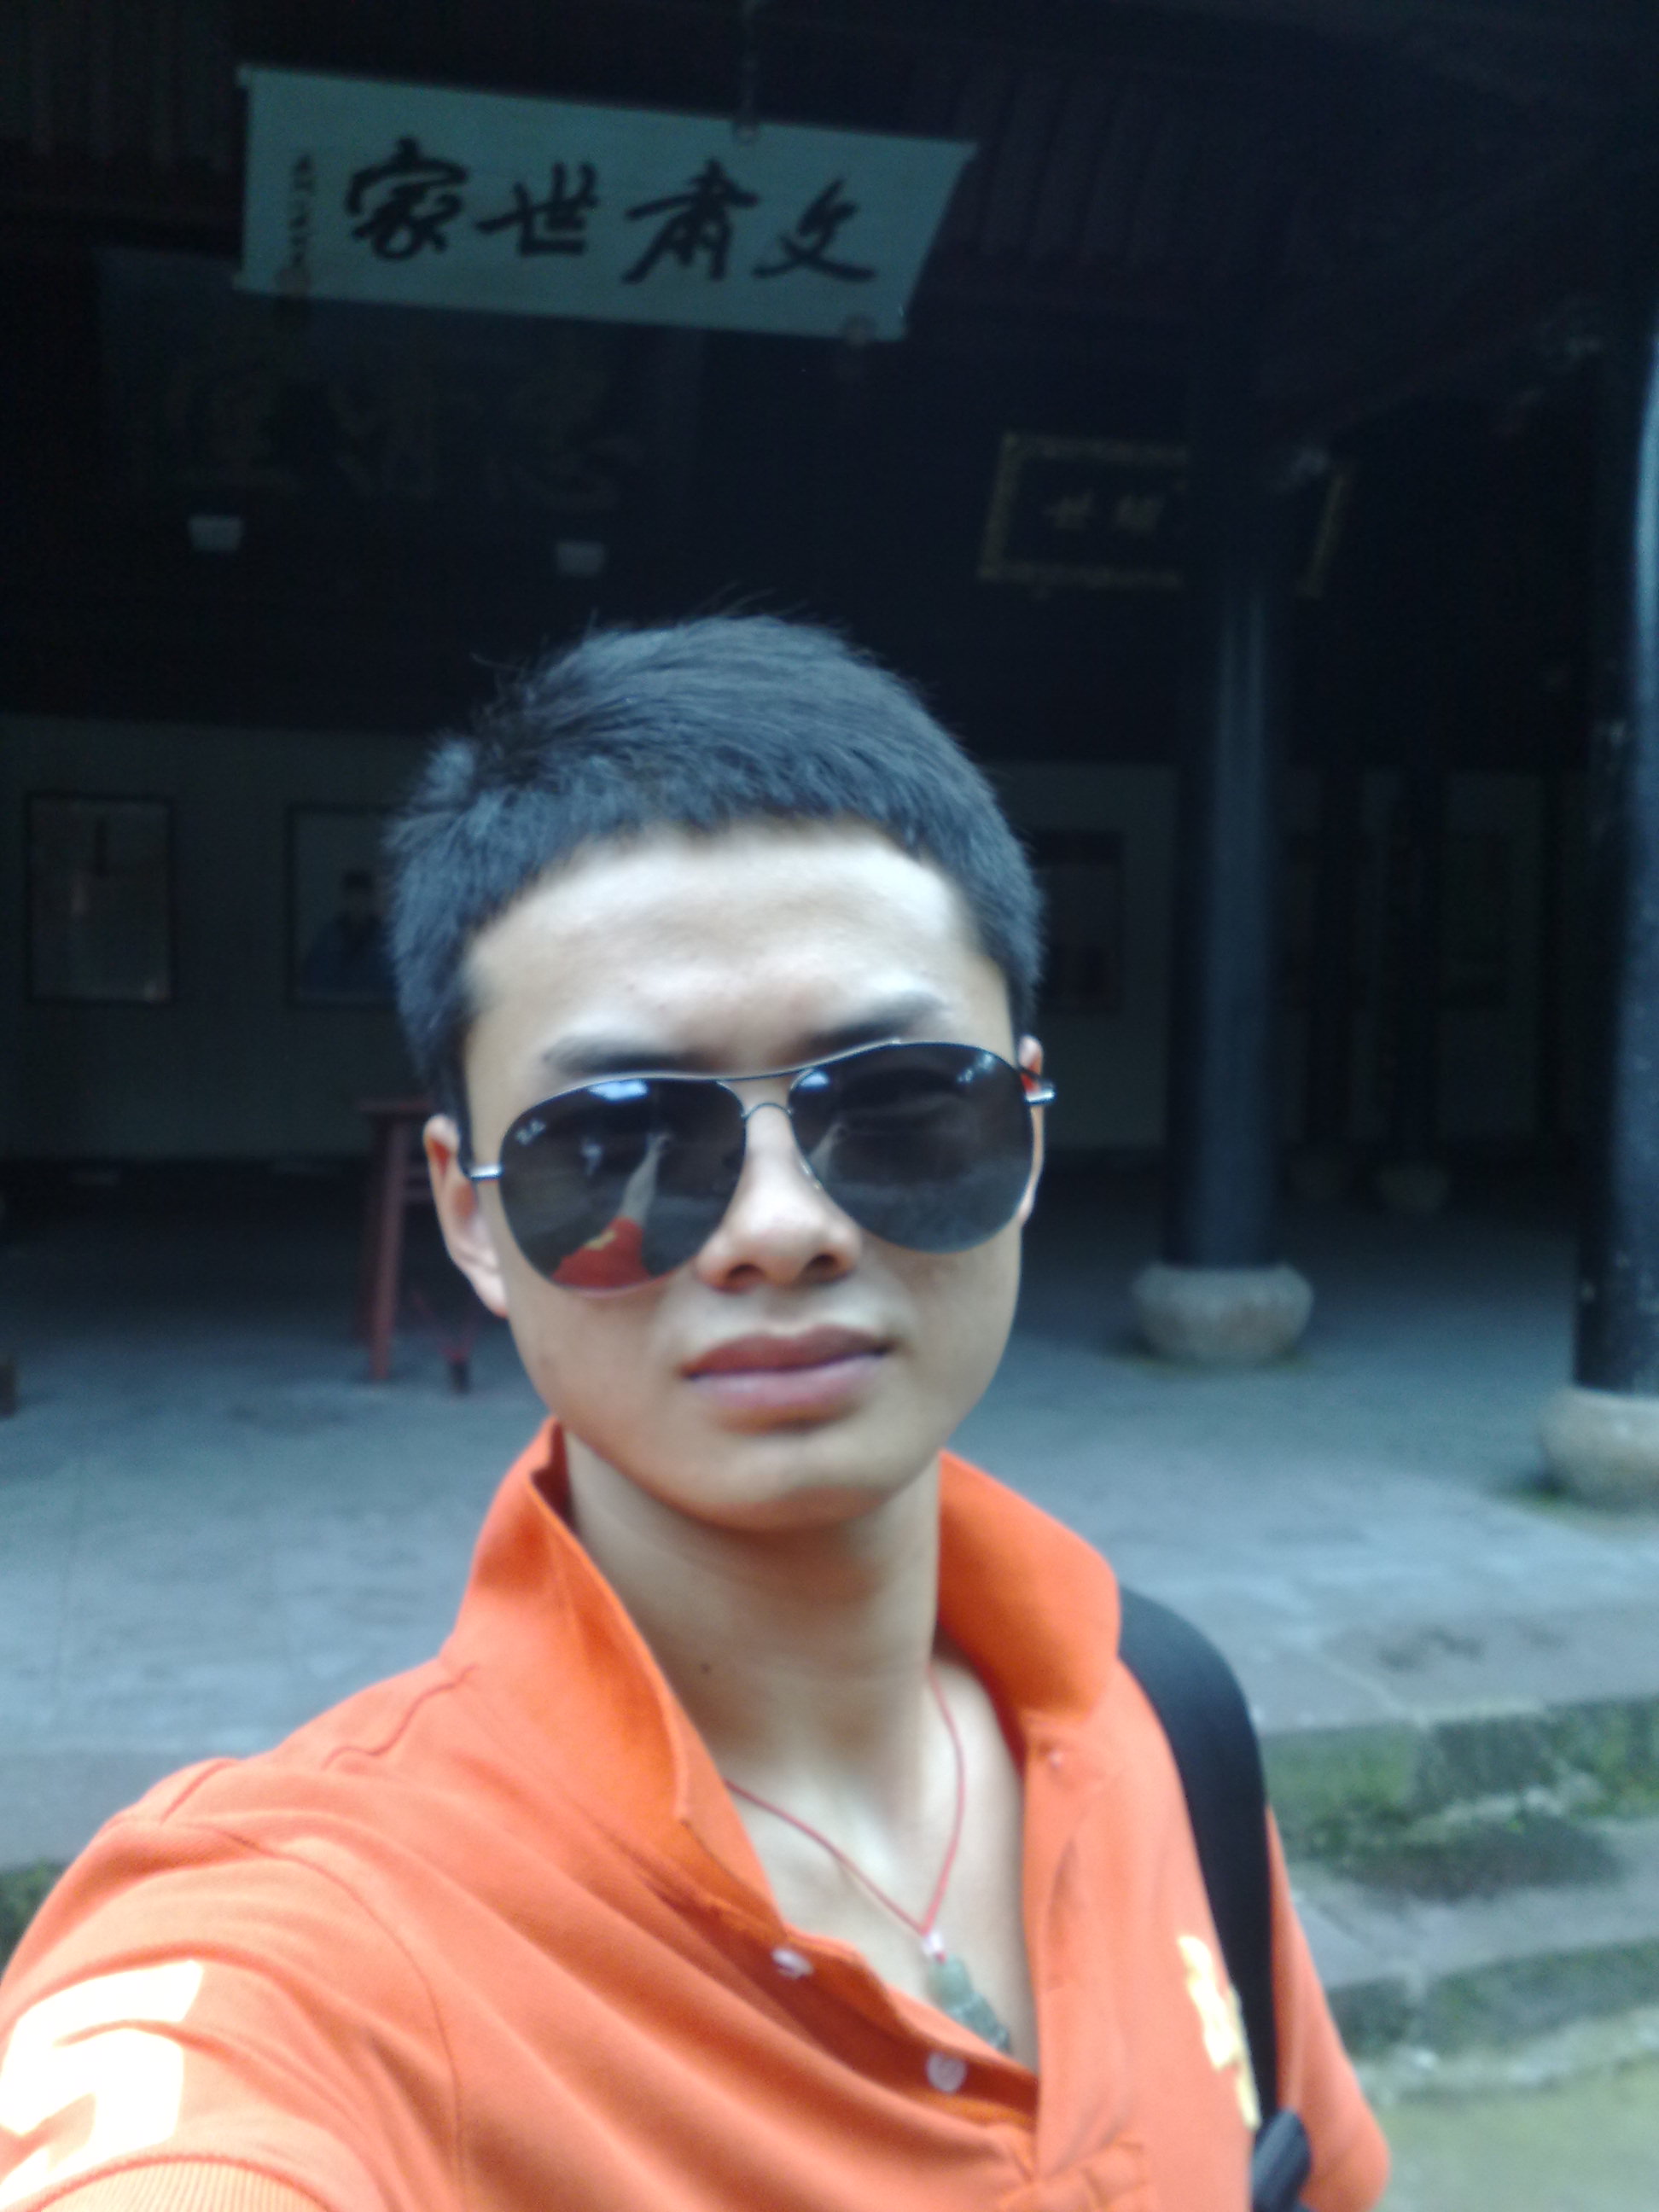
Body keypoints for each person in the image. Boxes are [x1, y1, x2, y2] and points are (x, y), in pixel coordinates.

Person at [0, 618, 1388, 2212]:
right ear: (468, 1216)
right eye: (615, 1143)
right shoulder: (324, 1941)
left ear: (1028, 1124)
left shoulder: (1161, 1718)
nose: (779, 1229)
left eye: (900, 1105)